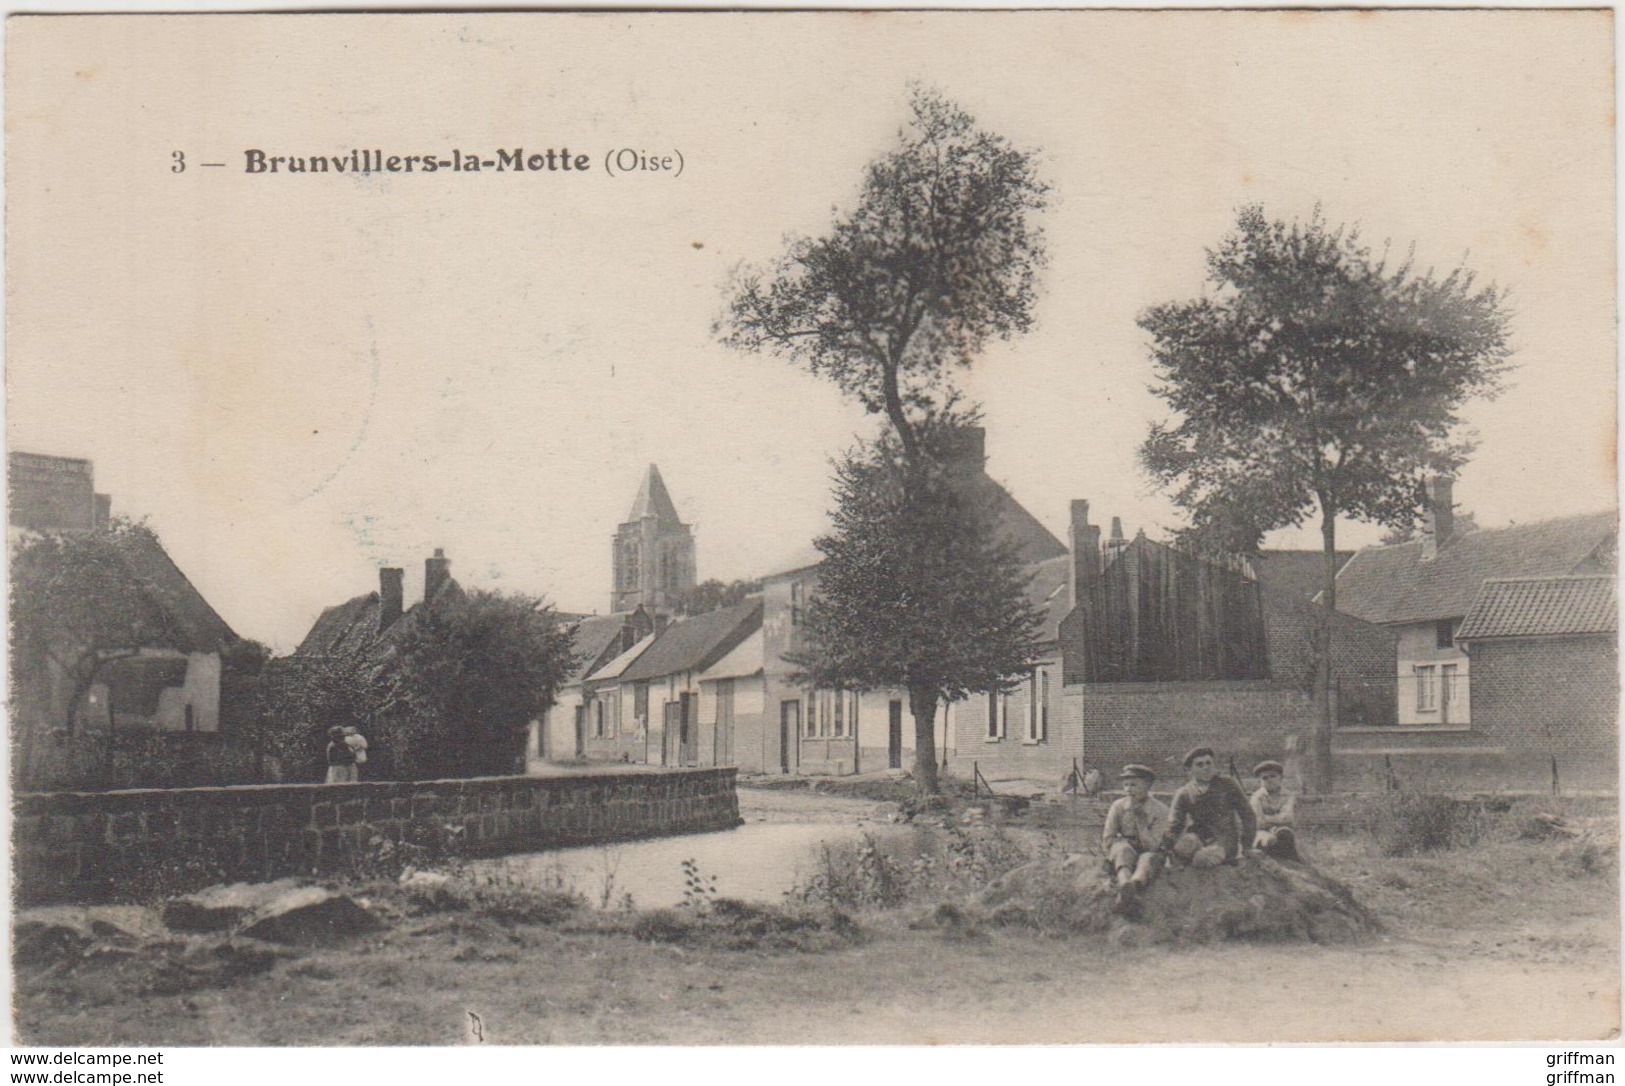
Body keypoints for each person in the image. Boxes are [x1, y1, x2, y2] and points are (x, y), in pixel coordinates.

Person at [1159, 746, 1257, 868]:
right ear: (1190, 770)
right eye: (1199, 765)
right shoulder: (1184, 792)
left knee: (1202, 859)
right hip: (1199, 837)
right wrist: (1165, 847)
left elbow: (1248, 815)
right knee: (1181, 848)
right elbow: (1174, 824)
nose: (1206, 768)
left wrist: (1247, 846)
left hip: (1224, 840)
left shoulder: (1228, 784)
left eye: (1208, 763)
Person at [1101, 764, 1169, 904]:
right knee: (1122, 850)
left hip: (1148, 849)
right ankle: (1125, 882)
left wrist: (1141, 822)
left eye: (1134, 785)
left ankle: (1134, 886)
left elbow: (1153, 846)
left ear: (1148, 786)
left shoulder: (1160, 810)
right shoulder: (1118, 806)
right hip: (1126, 849)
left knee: (1148, 859)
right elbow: (1108, 839)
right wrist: (1120, 845)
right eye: (1126, 785)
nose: (1128, 790)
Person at [1250, 759, 1301, 862]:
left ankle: (1290, 863)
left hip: (1284, 832)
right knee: (1267, 840)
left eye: (1273, 776)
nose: (1269, 780)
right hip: (1262, 832)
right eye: (1265, 778)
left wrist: (1267, 819)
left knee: (1284, 833)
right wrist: (1277, 819)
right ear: (1260, 781)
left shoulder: (1288, 796)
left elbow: (1288, 817)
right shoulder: (1256, 797)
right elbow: (1258, 821)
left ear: (1281, 778)